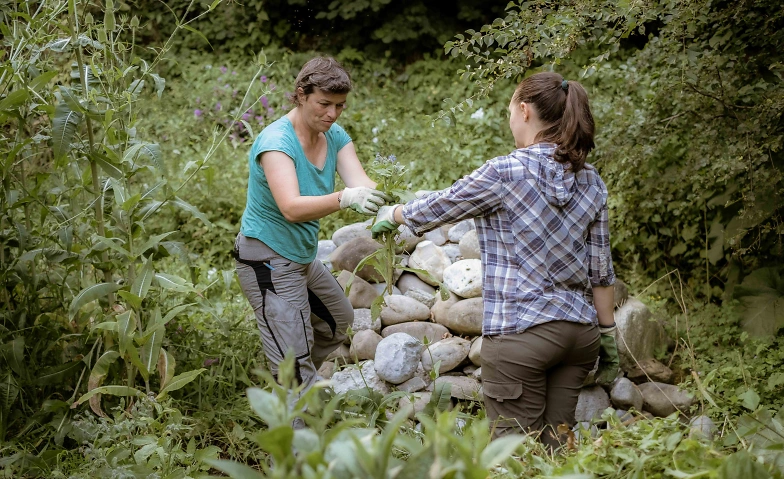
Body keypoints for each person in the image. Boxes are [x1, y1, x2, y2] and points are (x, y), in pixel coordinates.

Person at [371, 72, 620, 449]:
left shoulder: (505, 171)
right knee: (558, 451)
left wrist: (393, 215)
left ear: (523, 111)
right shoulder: (591, 181)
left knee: (513, 454)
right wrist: (607, 336)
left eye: (509, 110)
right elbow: (601, 271)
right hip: (578, 336)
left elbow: (442, 204)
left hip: (522, 334)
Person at [235, 57, 389, 393]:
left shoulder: (333, 135)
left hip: (301, 259)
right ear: (301, 95)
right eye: (324, 104)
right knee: (293, 360)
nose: (332, 114)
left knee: (337, 323)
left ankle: (290, 383)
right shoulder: (277, 143)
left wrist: (386, 203)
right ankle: (293, 414)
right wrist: (345, 199)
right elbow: (291, 208)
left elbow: (361, 182)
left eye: (340, 106)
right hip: (267, 259)